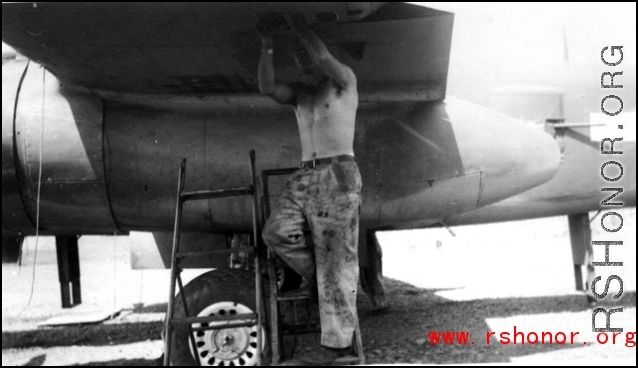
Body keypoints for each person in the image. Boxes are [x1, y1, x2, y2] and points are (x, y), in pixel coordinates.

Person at [258, 14, 362, 365]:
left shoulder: (344, 80)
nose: (302, 60)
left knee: (336, 263)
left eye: (306, 52)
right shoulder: (300, 95)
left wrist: (293, 21)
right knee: (276, 232)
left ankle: (337, 351)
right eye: (296, 55)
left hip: (338, 173)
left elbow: (319, 58)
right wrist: (268, 44)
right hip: (305, 177)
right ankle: (324, 280)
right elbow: (266, 87)